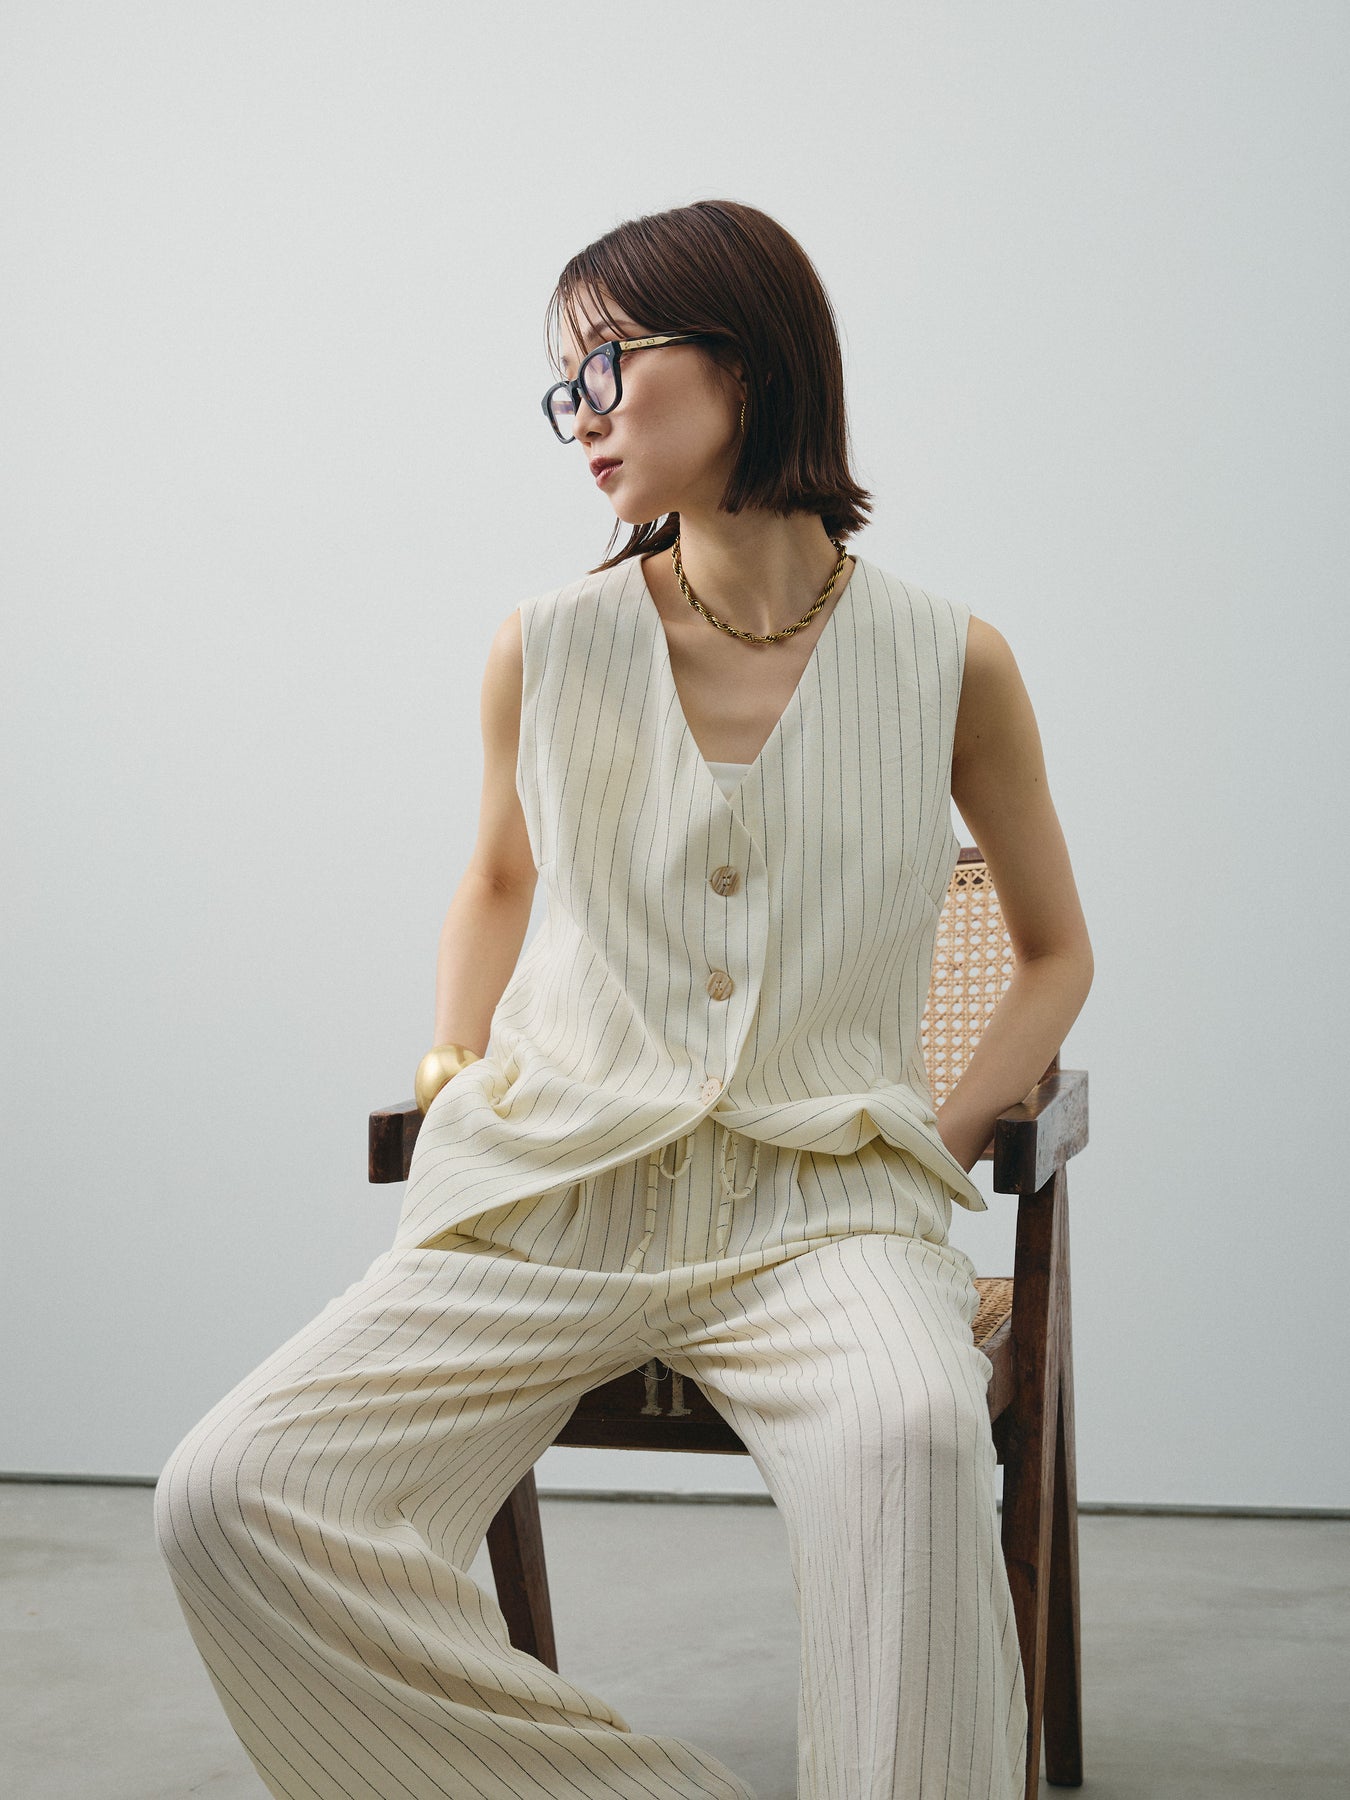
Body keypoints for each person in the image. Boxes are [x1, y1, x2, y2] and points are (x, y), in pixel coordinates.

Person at [154, 198, 1093, 1800]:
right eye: (562, 383)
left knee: (913, 1441)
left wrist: (929, 1141)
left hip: (820, 1219)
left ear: (746, 357)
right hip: (553, 1192)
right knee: (232, 1493)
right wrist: (453, 1063)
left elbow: (1053, 949)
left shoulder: (951, 660)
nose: (578, 412)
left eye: (606, 363)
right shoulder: (548, 646)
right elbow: (497, 878)